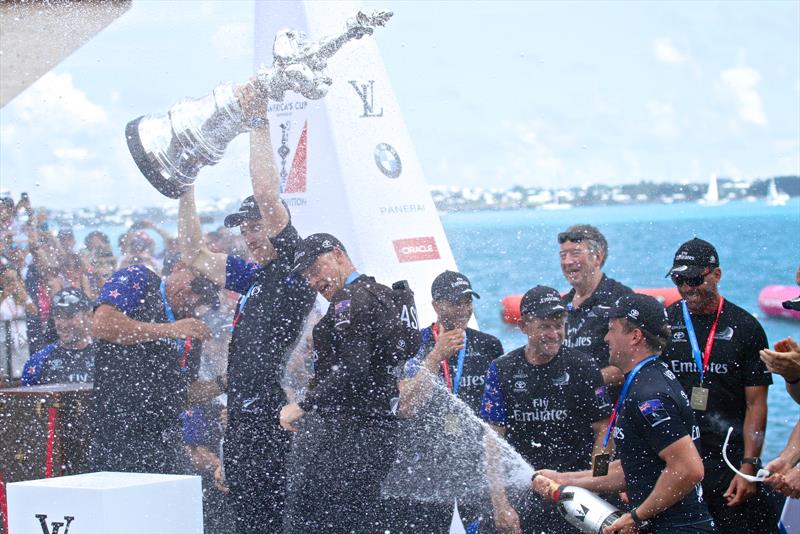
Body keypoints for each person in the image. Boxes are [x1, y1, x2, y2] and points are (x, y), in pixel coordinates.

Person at [177, 88, 316, 534]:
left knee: (275, 521)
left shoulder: (294, 267)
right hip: (239, 416)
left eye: (257, 227)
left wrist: (258, 120)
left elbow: (264, 191)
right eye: (245, 229)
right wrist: (185, 183)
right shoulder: (251, 276)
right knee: (246, 522)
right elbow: (194, 253)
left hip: (273, 415)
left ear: (276, 224)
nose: (250, 237)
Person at [537, 293, 714, 533]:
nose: (606, 338)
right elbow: (632, 467)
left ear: (635, 336)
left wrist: (637, 516)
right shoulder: (647, 377)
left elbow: (688, 469)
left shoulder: (648, 396)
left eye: (612, 329)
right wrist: (564, 478)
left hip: (677, 527)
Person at [279, 233, 420, 532]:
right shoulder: (384, 294)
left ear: (338, 254)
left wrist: (302, 405)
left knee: (311, 516)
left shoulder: (348, 299)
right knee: (355, 518)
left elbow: (352, 370)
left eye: (316, 270)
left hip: (352, 434)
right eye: (308, 277)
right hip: (379, 433)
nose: (314, 282)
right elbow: (407, 346)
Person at [662, 237, 776, 532]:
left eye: (694, 279)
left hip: (730, 459)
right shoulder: (666, 323)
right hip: (679, 460)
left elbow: (756, 403)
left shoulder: (745, 327)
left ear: (716, 274)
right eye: (678, 279)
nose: (686, 288)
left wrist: (749, 468)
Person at [481, 285, 611, 534]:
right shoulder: (502, 369)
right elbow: (492, 442)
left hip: (576, 493)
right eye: (544, 326)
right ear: (524, 327)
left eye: (559, 325)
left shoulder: (583, 367)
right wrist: (500, 505)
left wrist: (598, 481)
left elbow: (604, 430)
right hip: (524, 494)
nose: (554, 334)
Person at [395, 270, 504, 531]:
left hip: (474, 461)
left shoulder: (489, 346)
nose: (463, 309)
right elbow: (404, 404)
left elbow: (499, 412)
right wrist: (435, 356)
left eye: (468, 301)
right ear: (436, 305)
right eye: (456, 302)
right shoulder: (415, 344)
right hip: (426, 465)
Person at [88, 259, 213, 474]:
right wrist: (169, 330)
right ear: (179, 267)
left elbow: (185, 394)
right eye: (194, 286)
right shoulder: (141, 278)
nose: (191, 298)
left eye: (201, 298)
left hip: (166, 440)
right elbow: (102, 325)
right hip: (119, 433)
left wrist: (225, 382)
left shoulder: (191, 328)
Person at [558, 224, 632, 391]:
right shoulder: (561, 305)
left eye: (575, 254)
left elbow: (633, 363)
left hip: (609, 407)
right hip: (569, 408)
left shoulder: (621, 300)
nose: (568, 261)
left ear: (598, 257)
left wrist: (582, 381)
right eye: (563, 255)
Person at [20, 288, 95, 385]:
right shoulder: (39, 360)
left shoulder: (103, 356)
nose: (63, 324)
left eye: (69, 316)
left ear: (88, 316)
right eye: (58, 316)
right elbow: (26, 397)